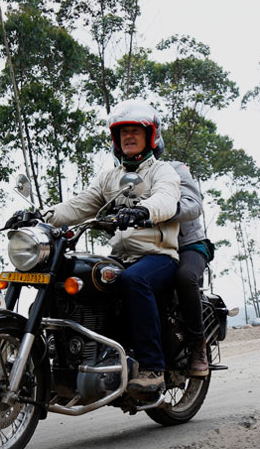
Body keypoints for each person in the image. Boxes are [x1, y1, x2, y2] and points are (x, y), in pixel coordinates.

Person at [47, 99, 181, 396]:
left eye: (135, 131)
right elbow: (80, 204)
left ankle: (152, 368)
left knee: (135, 280)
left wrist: (143, 211)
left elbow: (166, 199)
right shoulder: (110, 177)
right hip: (121, 257)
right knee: (73, 279)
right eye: (123, 133)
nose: (129, 137)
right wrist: (44, 217)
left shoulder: (163, 171)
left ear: (150, 136)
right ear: (115, 140)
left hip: (157, 256)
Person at [170, 162, 213, 378]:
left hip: (189, 245)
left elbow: (193, 204)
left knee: (185, 277)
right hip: (148, 248)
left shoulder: (174, 169)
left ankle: (198, 345)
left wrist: (164, 209)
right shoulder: (118, 176)